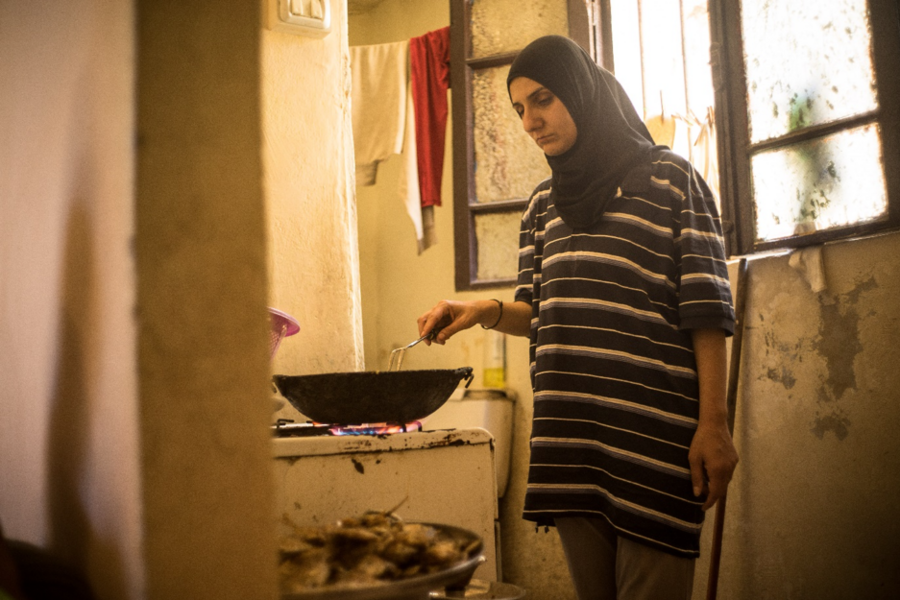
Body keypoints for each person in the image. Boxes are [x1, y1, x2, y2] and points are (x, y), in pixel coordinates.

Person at [417, 35, 738, 600]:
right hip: (571, 439)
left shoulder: (671, 181)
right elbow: (539, 311)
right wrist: (480, 311)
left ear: (582, 92)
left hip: (652, 441)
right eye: (519, 109)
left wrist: (713, 423)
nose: (529, 122)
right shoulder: (543, 206)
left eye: (542, 100)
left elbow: (707, 310)